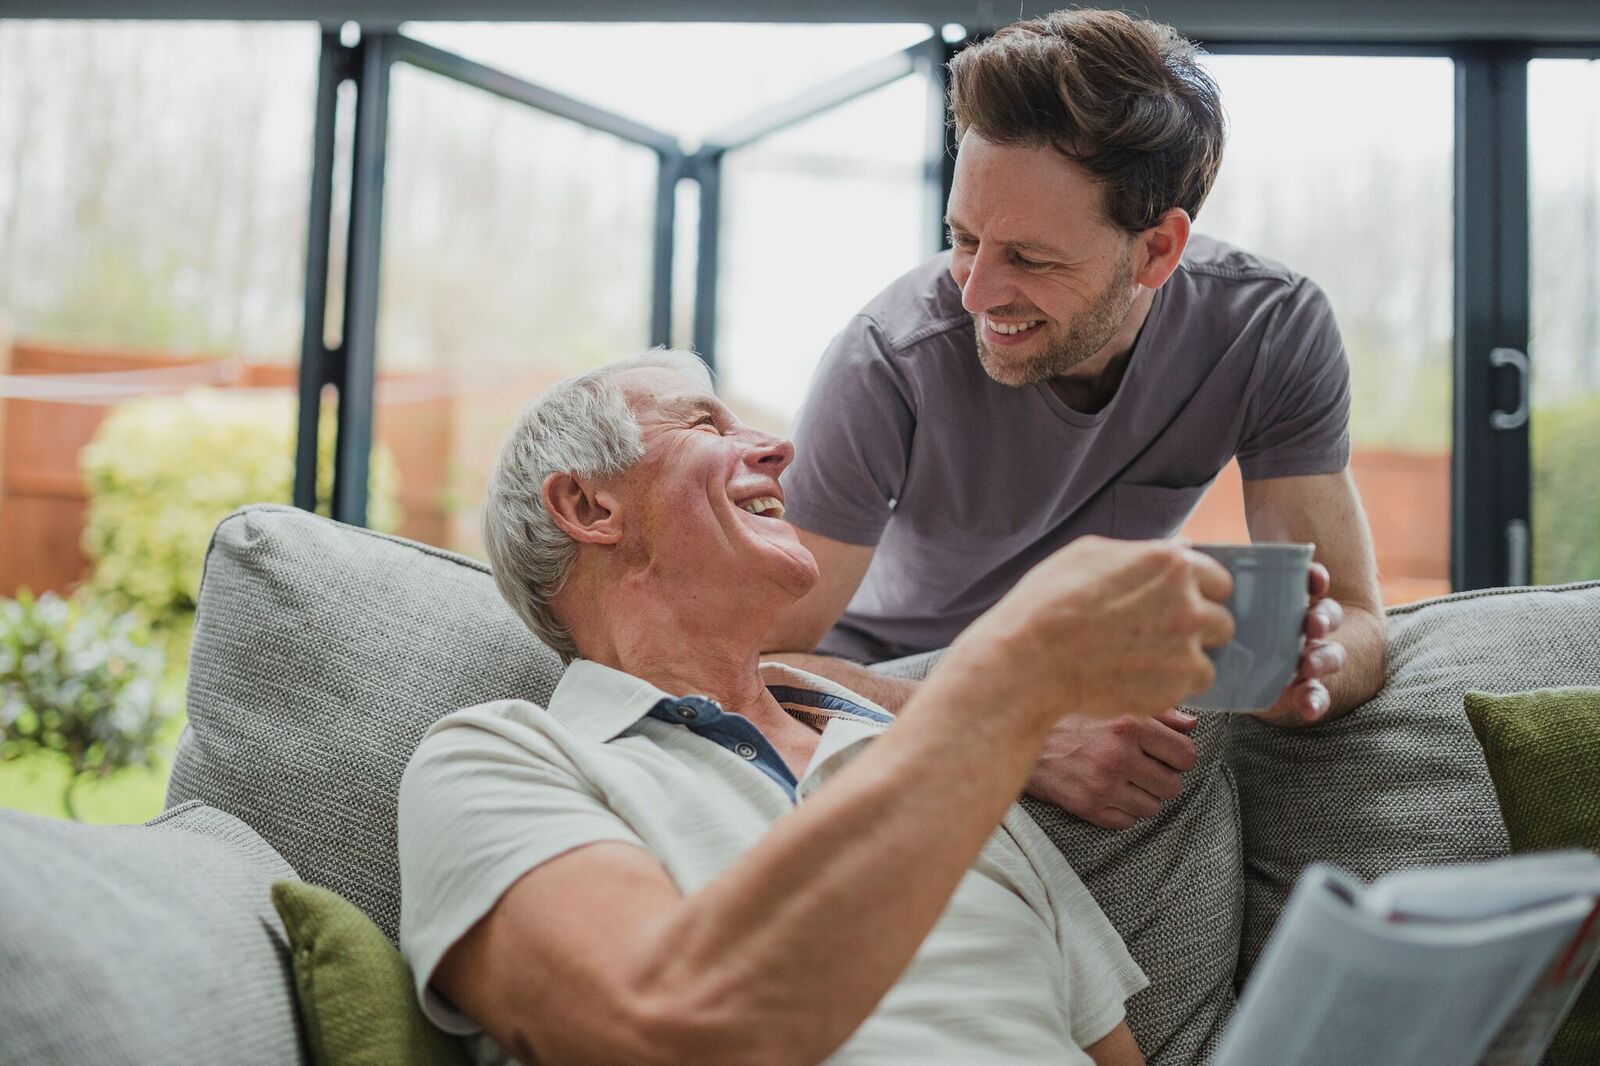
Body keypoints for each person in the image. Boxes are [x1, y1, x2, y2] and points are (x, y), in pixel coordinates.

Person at [397, 350, 1237, 1066]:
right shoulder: (500, 758)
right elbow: (659, 1029)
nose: (779, 449)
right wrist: (1008, 678)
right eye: (707, 427)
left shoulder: (940, 765)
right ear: (587, 507)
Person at [763, 8, 1384, 830]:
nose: (976, 293)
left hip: (1085, 667)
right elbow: (755, 662)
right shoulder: (887, 359)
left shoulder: (1270, 328)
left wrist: (1291, 670)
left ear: (1158, 251)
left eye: (1029, 257)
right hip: (897, 677)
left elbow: (1357, 617)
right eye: (963, 238)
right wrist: (1018, 728)